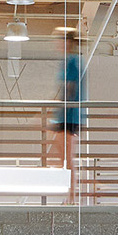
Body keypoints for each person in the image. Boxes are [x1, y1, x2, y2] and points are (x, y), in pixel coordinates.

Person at [51, 31, 86, 200]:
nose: (58, 45)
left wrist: (58, 109)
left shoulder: (73, 62)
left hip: (69, 115)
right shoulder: (68, 61)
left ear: (68, 42)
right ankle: (69, 195)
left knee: (67, 159)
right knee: (63, 157)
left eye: (60, 41)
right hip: (65, 115)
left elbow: (69, 89)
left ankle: (71, 197)